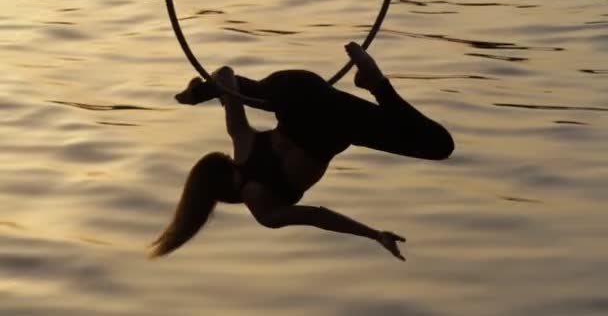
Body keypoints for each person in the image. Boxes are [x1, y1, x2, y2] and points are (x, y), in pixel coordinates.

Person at [149, 42, 454, 261]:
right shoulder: (240, 139)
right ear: (218, 164)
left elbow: (318, 216)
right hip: (293, 87)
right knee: (246, 92)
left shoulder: (265, 211)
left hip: (331, 121)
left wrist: (374, 234)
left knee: (438, 145)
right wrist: (215, 91)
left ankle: (376, 83)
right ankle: (198, 93)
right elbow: (227, 75)